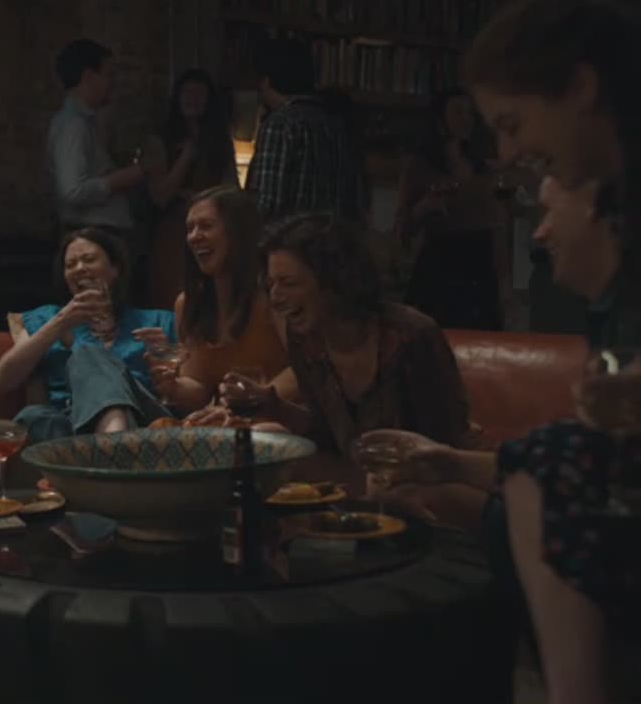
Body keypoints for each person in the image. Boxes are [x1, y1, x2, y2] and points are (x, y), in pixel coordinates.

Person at [362, 175, 641, 704]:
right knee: (510, 498)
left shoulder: (409, 335)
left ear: (604, 217)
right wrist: (448, 463)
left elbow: (572, 464)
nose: (539, 233)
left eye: (551, 212)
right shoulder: (612, 316)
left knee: (539, 477)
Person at [222, 214, 470, 476]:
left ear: (334, 281)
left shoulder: (411, 335)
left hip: (421, 481)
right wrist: (274, 407)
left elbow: (446, 446)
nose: (275, 298)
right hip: (354, 477)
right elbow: (326, 435)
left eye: (289, 283)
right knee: (262, 442)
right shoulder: (306, 340)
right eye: (271, 285)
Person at [0, 227, 177, 444]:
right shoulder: (48, 319)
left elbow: (189, 390)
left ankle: (112, 446)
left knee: (89, 354)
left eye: (89, 259)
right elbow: (2, 381)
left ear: (115, 269)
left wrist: (166, 355)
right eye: (70, 264)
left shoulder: (159, 321)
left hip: (143, 423)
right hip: (73, 427)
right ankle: (108, 451)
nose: (79, 268)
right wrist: (61, 323)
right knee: (34, 417)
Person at [141, 187, 289, 416]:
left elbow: (305, 372)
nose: (194, 237)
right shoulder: (188, 303)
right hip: (222, 423)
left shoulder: (274, 294)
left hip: (275, 419)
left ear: (238, 232)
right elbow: (198, 388)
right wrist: (173, 386)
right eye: (190, 229)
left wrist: (253, 400)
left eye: (206, 226)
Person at [397, 88, 507, 331]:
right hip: (442, 265)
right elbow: (402, 228)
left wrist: (504, 284)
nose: (466, 119)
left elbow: (495, 224)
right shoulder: (420, 165)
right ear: (440, 118)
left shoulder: (481, 166)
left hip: (480, 265)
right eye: (458, 111)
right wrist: (424, 208)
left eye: (470, 112)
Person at [142, 69, 239, 308]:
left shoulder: (219, 140)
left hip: (215, 229)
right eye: (186, 92)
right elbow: (160, 195)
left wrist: (203, 199)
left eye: (199, 93)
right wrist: (187, 154)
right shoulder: (159, 140)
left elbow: (232, 190)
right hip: (172, 232)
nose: (192, 98)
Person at [245, 38, 361, 222]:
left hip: (290, 236)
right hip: (333, 234)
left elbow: (267, 203)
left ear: (266, 81)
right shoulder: (334, 121)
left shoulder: (280, 124)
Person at [47, 39, 146, 248]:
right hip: (95, 237)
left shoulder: (84, 123)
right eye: (108, 75)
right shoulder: (73, 124)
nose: (113, 83)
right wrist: (124, 178)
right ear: (88, 77)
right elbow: (72, 191)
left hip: (100, 235)